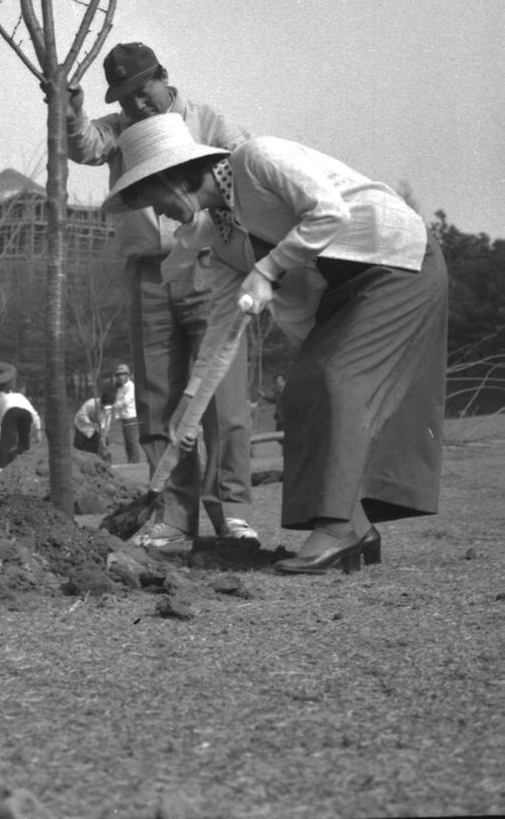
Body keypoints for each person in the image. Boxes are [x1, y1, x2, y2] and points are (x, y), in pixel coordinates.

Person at [104, 112, 447, 573]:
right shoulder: (225, 237)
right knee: (303, 390)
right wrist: (190, 406)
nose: (158, 215)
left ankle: (338, 529)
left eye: (151, 199)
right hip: (343, 292)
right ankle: (356, 527)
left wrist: (267, 270)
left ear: (171, 177)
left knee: (332, 379)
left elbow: (329, 211)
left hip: (397, 262)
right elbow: (224, 330)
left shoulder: (257, 158)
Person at [66, 42, 257, 544]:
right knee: (156, 400)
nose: (138, 106)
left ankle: (230, 511)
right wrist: (70, 112)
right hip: (148, 274)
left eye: (143, 92)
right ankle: (173, 517)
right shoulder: (118, 128)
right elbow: (85, 145)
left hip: (209, 266)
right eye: (125, 98)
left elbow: (245, 167)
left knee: (223, 398)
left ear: (164, 76)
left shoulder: (207, 120)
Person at [0, 361, 42, 469]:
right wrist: (38, 430)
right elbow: (35, 414)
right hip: (26, 414)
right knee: (24, 440)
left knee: (5, 440)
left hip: (11, 412)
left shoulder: (1, 398)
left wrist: (3, 427)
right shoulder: (20, 396)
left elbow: (1, 415)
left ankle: (1, 464)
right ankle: (24, 463)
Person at [108, 364, 143, 464]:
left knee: (132, 441)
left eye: (123, 374)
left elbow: (125, 401)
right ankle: (131, 461)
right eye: (118, 375)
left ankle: (135, 462)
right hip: (124, 417)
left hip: (131, 417)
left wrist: (113, 406)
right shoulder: (121, 388)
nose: (120, 376)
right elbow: (118, 400)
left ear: (128, 375)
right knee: (127, 441)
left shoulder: (131, 387)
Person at [73, 388, 114, 461]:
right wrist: (91, 423)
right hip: (82, 427)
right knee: (81, 448)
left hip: (96, 430)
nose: (106, 409)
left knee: (98, 446)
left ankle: (100, 461)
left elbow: (106, 424)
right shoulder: (91, 403)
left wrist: (104, 437)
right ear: (102, 402)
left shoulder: (108, 410)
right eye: (104, 406)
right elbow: (81, 415)